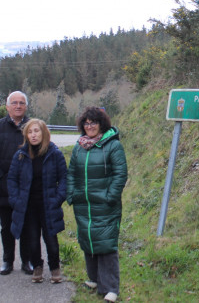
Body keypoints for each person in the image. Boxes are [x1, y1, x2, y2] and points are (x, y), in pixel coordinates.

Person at [67, 107, 127, 303]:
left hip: (105, 203)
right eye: (86, 123)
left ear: (101, 124)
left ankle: (110, 287)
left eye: (93, 122)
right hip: (83, 203)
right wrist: (72, 194)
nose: (90, 126)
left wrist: (110, 196)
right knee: (88, 240)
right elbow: (72, 173)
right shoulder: (79, 147)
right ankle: (94, 278)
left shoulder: (112, 146)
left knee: (106, 242)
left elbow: (120, 174)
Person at [7, 119, 67, 284]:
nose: (33, 135)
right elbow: (12, 180)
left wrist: (58, 198)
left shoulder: (54, 153)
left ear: (44, 133)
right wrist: (16, 200)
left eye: (36, 131)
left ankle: (55, 267)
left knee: (51, 241)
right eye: (30, 132)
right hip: (28, 206)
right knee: (32, 241)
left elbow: (64, 178)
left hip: (48, 204)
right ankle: (37, 266)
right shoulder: (21, 155)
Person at [0, 90, 33, 275]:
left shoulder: (33, 126)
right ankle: (7, 260)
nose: (18, 106)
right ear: (7, 106)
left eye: (21, 103)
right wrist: (0, 177)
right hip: (3, 186)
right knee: (7, 227)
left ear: (26, 106)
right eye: (14, 103)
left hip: (27, 187)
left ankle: (26, 261)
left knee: (26, 225)